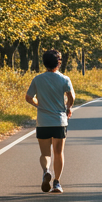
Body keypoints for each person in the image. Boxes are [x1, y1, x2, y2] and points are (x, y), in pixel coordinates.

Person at [25, 49, 75, 193]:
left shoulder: (37, 79)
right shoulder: (64, 79)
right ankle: (57, 183)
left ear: (44, 63)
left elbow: (28, 97)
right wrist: (68, 107)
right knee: (58, 153)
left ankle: (46, 171)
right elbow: (71, 96)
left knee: (45, 153)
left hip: (43, 121)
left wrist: (37, 104)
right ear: (58, 63)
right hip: (59, 121)